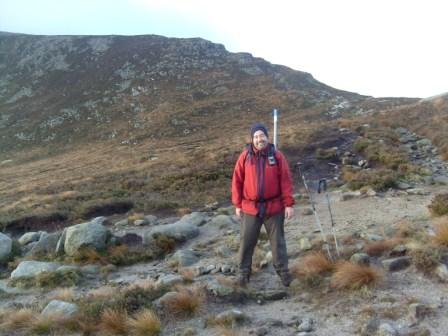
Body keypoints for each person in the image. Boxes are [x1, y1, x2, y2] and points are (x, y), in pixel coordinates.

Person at [232, 122, 295, 287]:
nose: (259, 139)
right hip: (250, 207)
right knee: (247, 241)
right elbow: (237, 181)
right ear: (252, 139)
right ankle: (243, 274)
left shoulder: (277, 156)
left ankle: (284, 273)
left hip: (274, 207)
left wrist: (288, 204)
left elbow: (285, 181)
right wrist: (237, 204)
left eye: (262, 136)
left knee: (277, 242)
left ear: (267, 137)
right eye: (256, 136)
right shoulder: (245, 156)